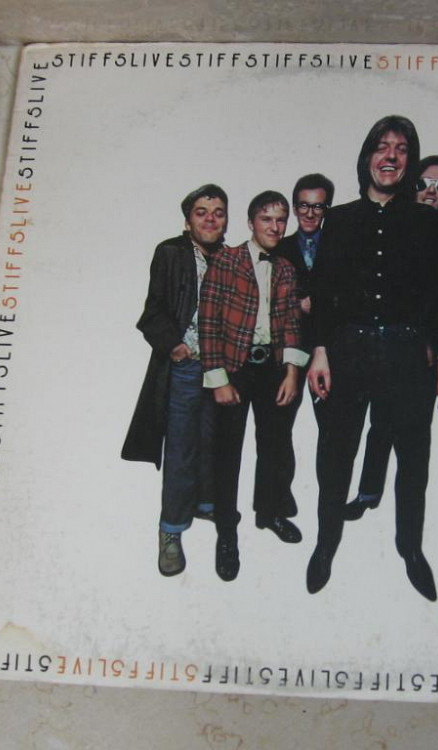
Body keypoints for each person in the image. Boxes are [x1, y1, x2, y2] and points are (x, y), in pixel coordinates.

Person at [305, 115, 438, 601]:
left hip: (406, 355)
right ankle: (325, 545)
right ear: (368, 157)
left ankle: (410, 549)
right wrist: (320, 351)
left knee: (413, 461)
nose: (391, 156)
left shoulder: (427, 223)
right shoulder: (339, 220)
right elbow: (323, 291)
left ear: (409, 162)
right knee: (335, 457)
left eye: (401, 148)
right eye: (382, 146)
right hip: (348, 352)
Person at [347, 155, 438, 520]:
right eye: (423, 183)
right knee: (379, 424)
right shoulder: (390, 232)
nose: (431, 192)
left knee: (414, 441)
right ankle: (368, 494)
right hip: (382, 346)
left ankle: (409, 527)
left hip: (425, 355)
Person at [199, 190, 308, 582]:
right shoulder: (226, 261)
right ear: (250, 223)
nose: (275, 227)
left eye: (281, 220)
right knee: (227, 454)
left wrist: (292, 372)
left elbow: (293, 323)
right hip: (234, 369)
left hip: (272, 369)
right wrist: (219, 379)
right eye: (267, 219)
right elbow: (209, 322)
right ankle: (226, 533)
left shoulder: (286, 268)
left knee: (275, 445)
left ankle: (270, 512)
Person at [121, 184, 228, 577]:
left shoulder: (233, 258)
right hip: (185, 368)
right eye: (202, 212)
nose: (210, 219)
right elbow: (152, 312)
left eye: (218, 212)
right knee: (181, 448)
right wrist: (175, 346)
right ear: (187, 221)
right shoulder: (170, 253)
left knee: (215, 440)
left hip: (222, 370)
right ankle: (171, 530)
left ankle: (205, 504)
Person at [275, 173, 335, 424]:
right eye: (304, 205)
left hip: (328, 347)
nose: (310, 213)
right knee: (278, 425)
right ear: (294, 208)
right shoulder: (278, 248)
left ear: (327, 209)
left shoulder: (339, 248)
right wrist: (296, 306)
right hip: (287, 347)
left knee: (332, 426)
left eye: (318, 206)